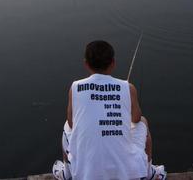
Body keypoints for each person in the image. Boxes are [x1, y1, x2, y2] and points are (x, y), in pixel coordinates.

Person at [54, 40, 165, 180]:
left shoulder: (75, 87)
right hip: (127, 173)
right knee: (143, 121)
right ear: (113, 63)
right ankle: (149, 173)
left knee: (66, 126)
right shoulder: (128, 88)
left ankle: (66, 173)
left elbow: (71, 122)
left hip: (84, 174)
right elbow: (136, 118)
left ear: (86, 64)